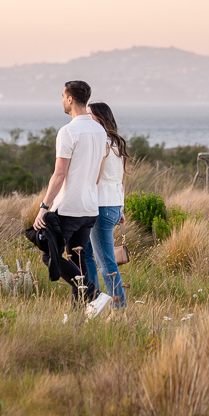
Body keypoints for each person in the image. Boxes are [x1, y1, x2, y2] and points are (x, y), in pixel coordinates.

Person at [32, 80, 107, 300]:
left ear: (70, 99)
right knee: (77, 260)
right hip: (90, 208)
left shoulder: (68, 132)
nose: (62, 100)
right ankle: (81, 314)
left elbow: (59, 174)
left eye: (62, 96)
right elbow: (98, 176)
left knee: (50, 256)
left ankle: (93, 293)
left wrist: (44, 208)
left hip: (69, 208)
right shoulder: (100, 131)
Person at [81, 102, 128, 307]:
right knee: (87, 254)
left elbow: (96, 178)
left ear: (99, 118)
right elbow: (121, 180)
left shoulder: (102, 143)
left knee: (105, 262)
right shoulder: (116, 143)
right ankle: (92, 302)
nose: (85, 117)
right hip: (113, 205)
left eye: (89, 114)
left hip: (100, 206)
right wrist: (121, 209)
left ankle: (119, 308)